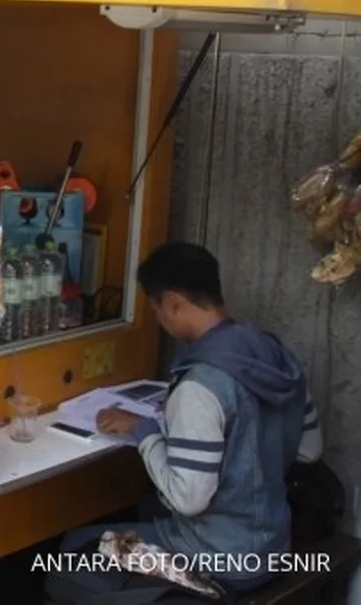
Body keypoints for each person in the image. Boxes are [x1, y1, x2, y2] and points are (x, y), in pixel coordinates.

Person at [52, 242, 323, 597]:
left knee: (70, 554)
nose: (158, 319)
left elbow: (188, 500)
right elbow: (309, 450)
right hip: (272, 546)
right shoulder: (273, 353)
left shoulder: (200, 385)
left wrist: (143, 430)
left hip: (220, 560)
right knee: (147, 508)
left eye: (155, 308)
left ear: (174, 301)